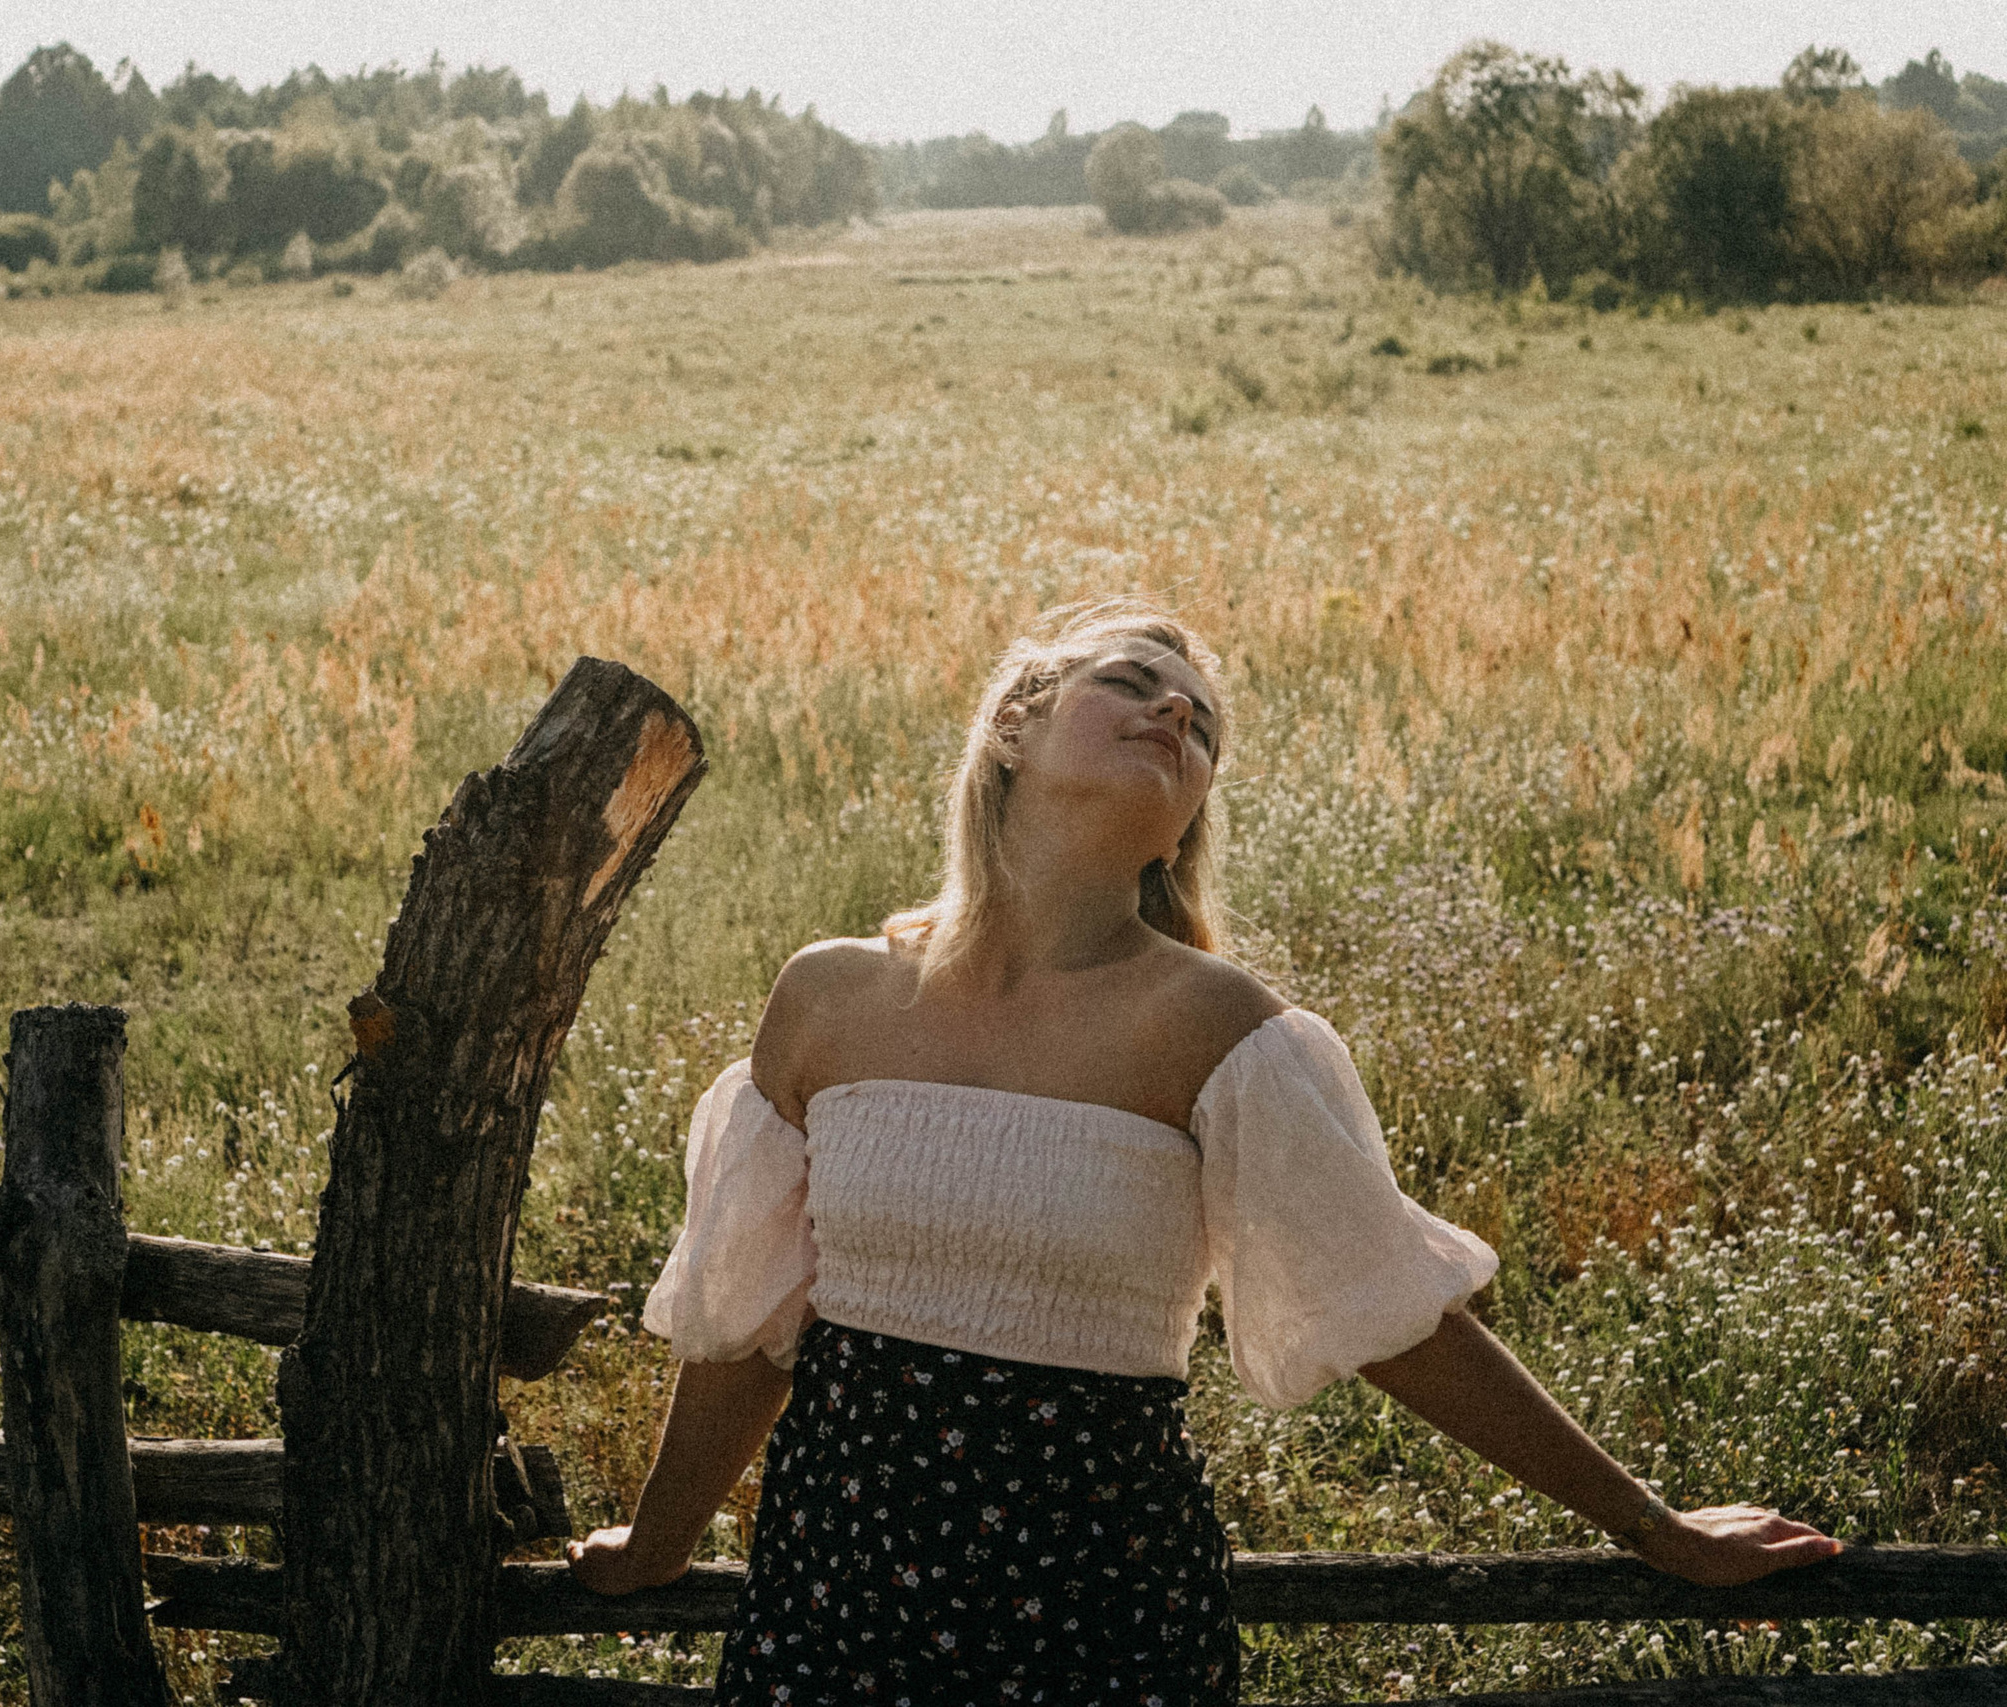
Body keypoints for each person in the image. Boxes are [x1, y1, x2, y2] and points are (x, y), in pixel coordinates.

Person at [564, 598, 1841, 1705]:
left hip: (1097, 1603)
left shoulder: (1225, 1029)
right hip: (835, 1582)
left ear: (1183, 824)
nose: (1174, 715)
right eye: (1131, 683)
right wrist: (662, 1543)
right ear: (1013, 720)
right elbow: (746, 1322)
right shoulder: (829, 997)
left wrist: (1651, 1526)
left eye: (1201, 724)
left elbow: (1391, 1317)